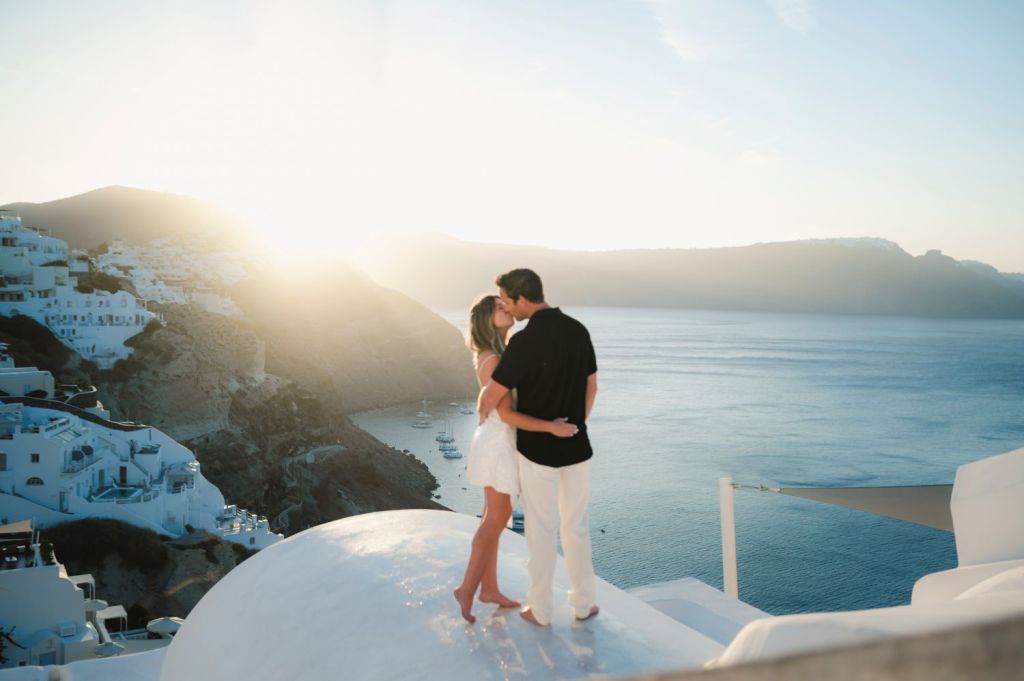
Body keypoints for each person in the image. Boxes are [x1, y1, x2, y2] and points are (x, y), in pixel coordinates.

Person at [478, 269, 599, 626]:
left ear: (521, 299)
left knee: (540, 531)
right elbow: (592, 387)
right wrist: (576, 426)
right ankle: (583, 605)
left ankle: (541, 610)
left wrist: (483, 409)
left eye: (507, 301)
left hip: (536, 454)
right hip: (578, 448)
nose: (507, 309)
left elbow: (494, 393)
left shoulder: (524, 341)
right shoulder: (578, 330)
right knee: (576, 528)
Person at [454, 294, 578, 624]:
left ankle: (489, 588)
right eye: (498, 307)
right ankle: (467, 588)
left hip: (495, 441)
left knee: (493, 520)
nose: (506, 308)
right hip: (498, 444)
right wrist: (550, 427)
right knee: (495, 520)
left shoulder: (496, 354)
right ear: (484, 319)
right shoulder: (493, 359)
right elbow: (506, 413)